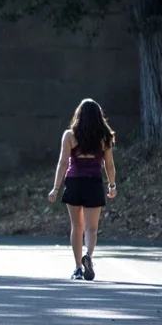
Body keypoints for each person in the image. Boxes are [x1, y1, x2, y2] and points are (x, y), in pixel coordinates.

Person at [47, 99, 117, 281]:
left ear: (79, 115)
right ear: (99, 117)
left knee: (76, 226)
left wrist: (55, 188)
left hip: (74, 182)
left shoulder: (70, 136)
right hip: (93, 182)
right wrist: (112, 185)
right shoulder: (105, 137)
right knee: (92, 229)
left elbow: (63, 163)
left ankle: (78, 267)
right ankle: (89, 256)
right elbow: (109, 165)